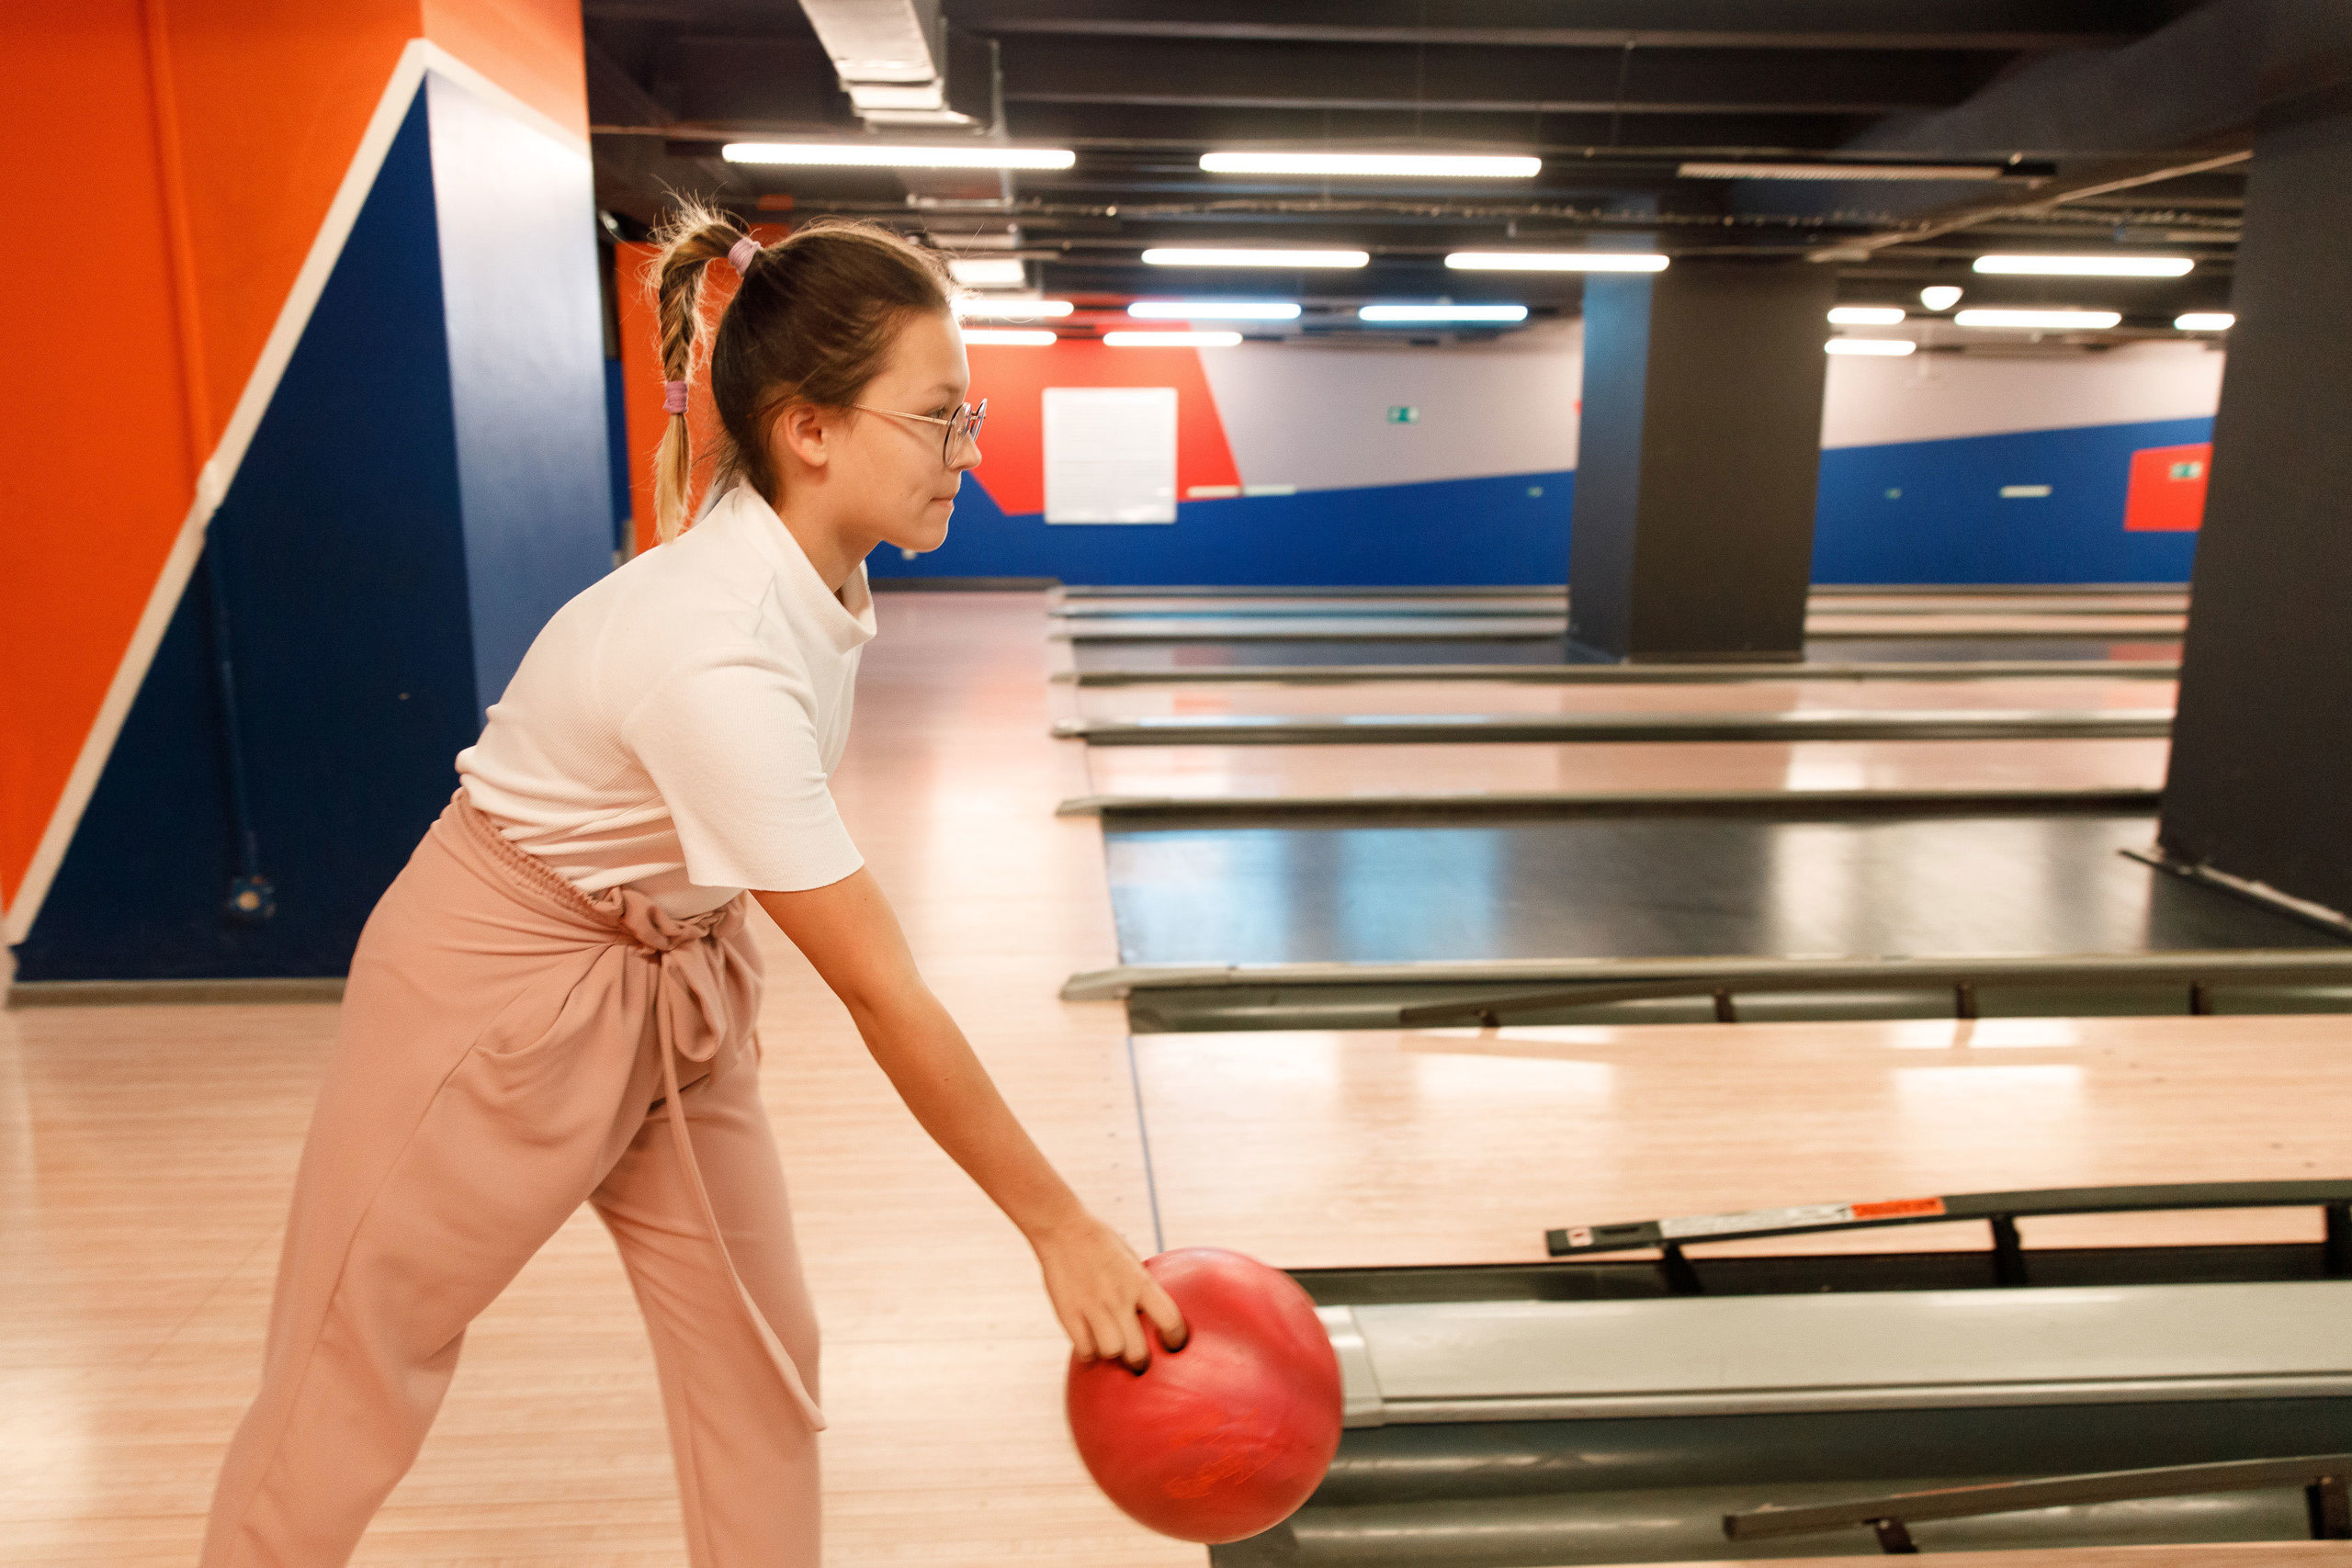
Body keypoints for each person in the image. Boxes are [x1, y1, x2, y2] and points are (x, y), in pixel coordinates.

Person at [198, 207, 1187, 1568]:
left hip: (677, 978)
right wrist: (1059, 1226)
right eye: (939, 417)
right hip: (493, 998)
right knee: (355, 1373)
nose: (969, 451)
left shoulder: (809, 584)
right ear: (810, 428)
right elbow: (882, 990)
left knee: (759, 1356)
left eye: (967, 416)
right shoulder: (714, 653)